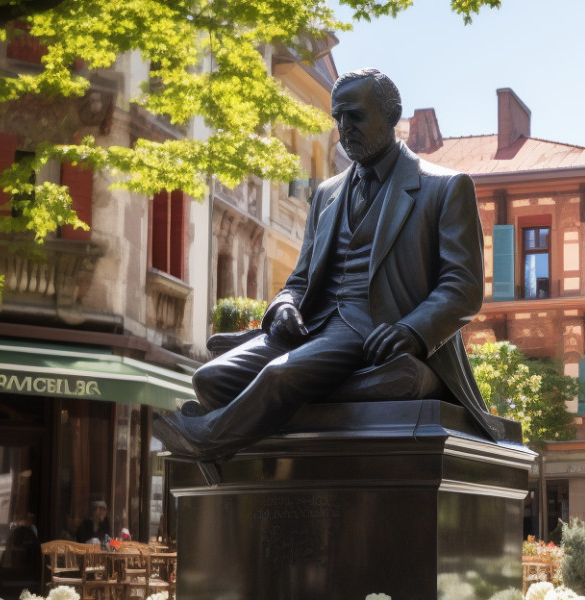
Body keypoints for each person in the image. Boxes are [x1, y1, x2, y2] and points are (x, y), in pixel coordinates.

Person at [152, 68, 496, 462]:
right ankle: (266, 442)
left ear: (390, 115)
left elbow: (463, 288)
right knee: (210, 379)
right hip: (312, 326)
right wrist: (284, 306)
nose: (344, 128)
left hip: (371, 328)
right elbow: (300, 279)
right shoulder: (327, 193)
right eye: (338, 118)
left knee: (280, 375)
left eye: (356, 116)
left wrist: (411, 330)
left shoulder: (444, 187)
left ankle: (208, 439)